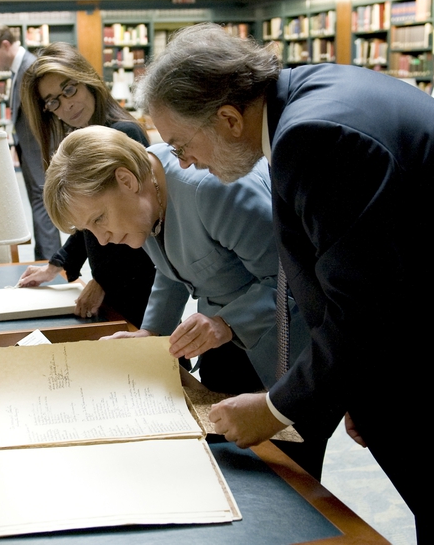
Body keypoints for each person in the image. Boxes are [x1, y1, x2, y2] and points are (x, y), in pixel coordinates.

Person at [136, 22, 431, 540]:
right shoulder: (306, 100)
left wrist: (275, 408)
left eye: (181, 143)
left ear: (228, 118)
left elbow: (361, 310)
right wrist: (355, 389)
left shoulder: (314, 138)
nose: (181, 162)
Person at [44, 125, 325, 477]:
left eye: (99, 219)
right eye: (90, 229)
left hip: (292, 358)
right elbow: (176, 265)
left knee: (292, 485)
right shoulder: (147, 193)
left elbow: (295, 281)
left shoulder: (213, 189)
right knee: (230, 470)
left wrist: (226, 323)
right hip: (225, 344)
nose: (101, 240)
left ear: (126, 180)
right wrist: (151, 333)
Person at [15, 43, 156, 327]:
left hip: (138, 283)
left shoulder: (123, 133)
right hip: (113, 284)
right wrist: (56, 264)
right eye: (53, 101)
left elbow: (137, 222)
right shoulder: (82, 139)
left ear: (87, 79)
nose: (67, 105)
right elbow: (89, 221)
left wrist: (101, 281)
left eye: (70, 89)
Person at [0, 24, 61, 261]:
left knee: (44, 210)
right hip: (30, 151)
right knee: (38, 208)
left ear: (5, 45)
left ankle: (49, 263)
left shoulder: (32, 68)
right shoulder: (18, 71)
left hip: (42, 152)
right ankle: (42, 259)